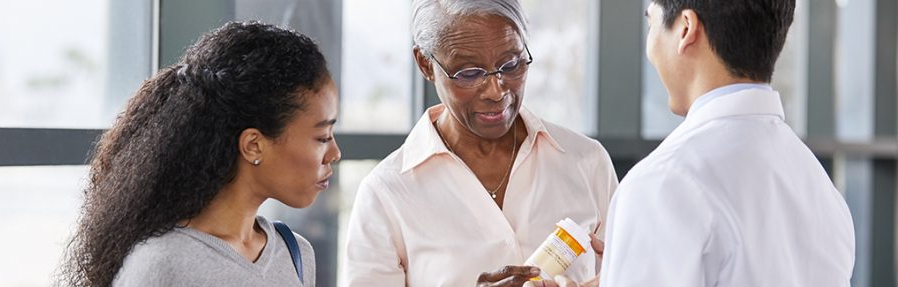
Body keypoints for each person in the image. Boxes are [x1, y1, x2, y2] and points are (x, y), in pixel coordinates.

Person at [531, 0, 856, 286]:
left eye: (651, 22)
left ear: (686, 28)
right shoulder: (820, 187)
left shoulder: (663, 183)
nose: (649, 44)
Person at [343, 0, 618, 286]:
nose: (496, 90)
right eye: (469, 73)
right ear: (425, 64)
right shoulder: (386, 194)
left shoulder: (587, 162)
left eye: (511, 65)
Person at [57, 21, 341, 287]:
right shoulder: (162, 265)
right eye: (322, 137)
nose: (335, 153)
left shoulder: (296, 255)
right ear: (253, 145)